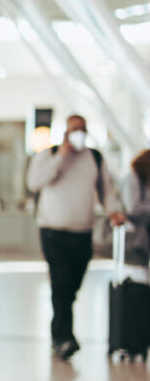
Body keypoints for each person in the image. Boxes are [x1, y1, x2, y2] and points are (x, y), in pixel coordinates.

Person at [26, 114, 126, 361]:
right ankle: (63, 338)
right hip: (53, 232)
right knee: (61, 284)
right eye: (74, 130)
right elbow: (34, 182)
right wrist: (61, 157)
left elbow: (106, 189)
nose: (78, 133)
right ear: (65, 133)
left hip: (82, 233)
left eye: (82, 129)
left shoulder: (94, 158)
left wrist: (114, 210)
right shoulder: (49, 155)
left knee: (72, 286)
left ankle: (59, 330)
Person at [122, 149, 150, 272]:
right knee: (139, 271)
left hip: (144, 234)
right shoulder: (132, 179)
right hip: (137, 235)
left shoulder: (145, 181)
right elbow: (132, 208)